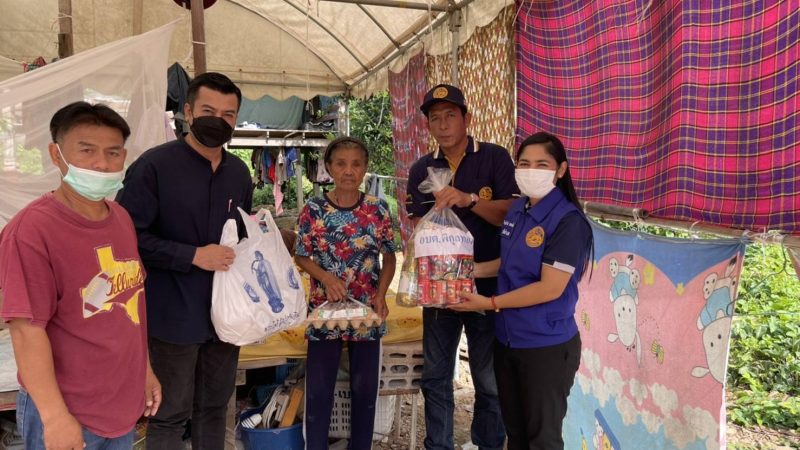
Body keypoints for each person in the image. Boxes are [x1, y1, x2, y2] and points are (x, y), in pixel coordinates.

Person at [0, 101, 161, 450]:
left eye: (112, 153)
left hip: (120, 404)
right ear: (56, 155)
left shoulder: (120, 219)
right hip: (68, 410)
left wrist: (144, 371)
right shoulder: (32, 231)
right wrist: (55, 416)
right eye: (86, 150)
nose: (101, 164)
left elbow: (130, 307)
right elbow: (26, 330)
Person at [116, 72, 253, 449]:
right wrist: (192, 255)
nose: (218, 120)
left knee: (214, 407)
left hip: (225, 316)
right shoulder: (154, 167)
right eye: (208, 111)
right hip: (172, 313)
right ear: (188, 112)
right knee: (169, 413)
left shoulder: (239, 173)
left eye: (228, 114)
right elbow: (128, 239)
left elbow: (242, 235)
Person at [450, 132, 594, 449]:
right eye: (524, 163)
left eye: (542, 164)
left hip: (545, 346)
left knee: (542, 439)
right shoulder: (518, 209)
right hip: (507, 339)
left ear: (561, 169)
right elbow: (510, 262)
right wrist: (469, 271)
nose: (531, 170)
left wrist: (489, 302)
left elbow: (549, 288)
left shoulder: (568, 221)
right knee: (515, 434)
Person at [406, 84, 517, 450]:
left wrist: (469, 200)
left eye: (450, 115)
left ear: (466, 118)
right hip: (439, 288)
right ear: (428, 125)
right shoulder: (422, 170)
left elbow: (510, 215)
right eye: (435, 118)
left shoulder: (494, 157)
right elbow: (417, 227)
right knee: (435, 377)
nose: (443, 124)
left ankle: (488, 443)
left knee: (489, 379)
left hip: (487, 284)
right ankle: (439, 445)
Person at [294, 137, 397, 450]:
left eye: (356, 164)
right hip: (324, 312)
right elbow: (302, 255)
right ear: (329, 168)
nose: (349, 171)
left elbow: (389, 256)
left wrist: (381, 294)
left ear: (365, 168)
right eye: (341, 163)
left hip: (367, 312)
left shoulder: (377, 209)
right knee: (319, 390)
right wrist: (325, 277)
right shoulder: (314, 210)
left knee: (365, 391)